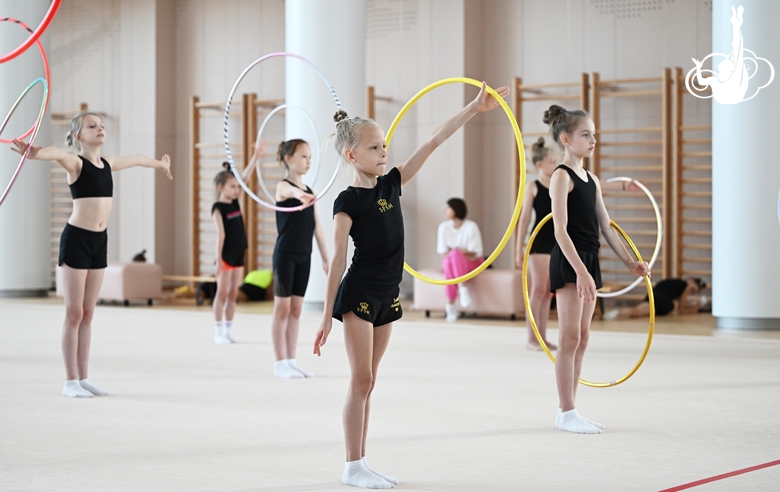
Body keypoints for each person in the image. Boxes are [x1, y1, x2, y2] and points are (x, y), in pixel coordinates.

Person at [314, 82, 510, 489]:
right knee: (361, 380)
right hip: (360, 295)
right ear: (351, 154)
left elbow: (433, 140)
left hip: (389, 293)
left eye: (384, 145)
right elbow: (337, 259)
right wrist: (327, 317)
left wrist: (474, 108)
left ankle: (361, 462)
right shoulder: (347, 201)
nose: (383, 152)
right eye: (373, 148)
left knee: (371, 381)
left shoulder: (391, 183)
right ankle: (352, 466)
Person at [11, 112, 172, 398]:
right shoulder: (76, 162)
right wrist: (35, 154)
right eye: (92, 125)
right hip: (76, 240)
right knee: (74, 313)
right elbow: (56, 153)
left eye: (101, 125)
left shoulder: (108, 164)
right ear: (78, 136)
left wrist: (159, 164)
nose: (99, 129)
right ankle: (69, 381)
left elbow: (136, 158)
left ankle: (83, 378)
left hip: (100, 241)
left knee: (88, 313)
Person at [544, 104, 649, 434]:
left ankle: (571, 409)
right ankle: (566, 410)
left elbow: (606, 225)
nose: (593, 140)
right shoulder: (561, 176)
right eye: (585, 134)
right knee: (569, 336)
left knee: (584, 337)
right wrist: (581, 272)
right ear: (566, 139)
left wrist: (629, 261)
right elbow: (560, 230)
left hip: (589, 260)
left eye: (594, 134)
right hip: (570, 260)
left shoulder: (591, 179)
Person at [515, 138, 641, 351]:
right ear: (539, 165)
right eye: (550, 161)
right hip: (541, 241)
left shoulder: (565, 180)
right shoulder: (534, 186)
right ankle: (533, 337)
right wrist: (520, 249)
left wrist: (622, 185)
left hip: (562, 242)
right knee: (539, 290)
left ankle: (542, 337)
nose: (555, 164)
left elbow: (595, 185)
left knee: (548, 292)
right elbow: (524, 218)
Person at [271, 139, 329, 378]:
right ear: (289, 159)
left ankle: (291, 359)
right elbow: (290, 191)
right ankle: (279, 362)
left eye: (310, 157)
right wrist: (298, 194)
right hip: (285, 254)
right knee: (282, 309)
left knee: (296, 310)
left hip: (305, 255)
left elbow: (317, 228)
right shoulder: (282, 187)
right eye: (303, 156)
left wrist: (327, 259)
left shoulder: (310, 192)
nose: (307, 162)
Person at [211, 143, 262, 344]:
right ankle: (217, 331)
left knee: (233, 293)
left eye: (236, 187)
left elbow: (245, 178)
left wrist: (256, 156)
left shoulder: (234, 202)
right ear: (221, 187)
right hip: (225, 256)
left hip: (239, 252)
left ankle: (228, 329)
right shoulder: (218, 207)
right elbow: (220, 235)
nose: (236, 190)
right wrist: (218, 260)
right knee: (222, 293)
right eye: (232, 186)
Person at [437, 197, 483, 321]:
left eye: (448, 208)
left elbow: (475, 253)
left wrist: (456, 253)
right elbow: (443, 253)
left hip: (472, 263)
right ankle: (462, 288)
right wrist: (457, 253)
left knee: (454, 256)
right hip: (452, 263)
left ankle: (451, 305)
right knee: (450, 261)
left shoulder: (471, 226)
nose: (445, 211)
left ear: (456, 210)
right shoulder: (444, 227)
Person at [603, 277, 707, 320]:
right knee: (637, 312)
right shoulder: (685, 286)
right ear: (691, 280)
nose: (690, 291)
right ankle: (614, 313)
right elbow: (683, 309)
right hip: (660, 300)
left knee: (638, 312)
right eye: (692, 289)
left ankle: (614, 313)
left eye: (693, 291)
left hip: (656, 297)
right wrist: (696, 306)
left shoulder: (676, 284)